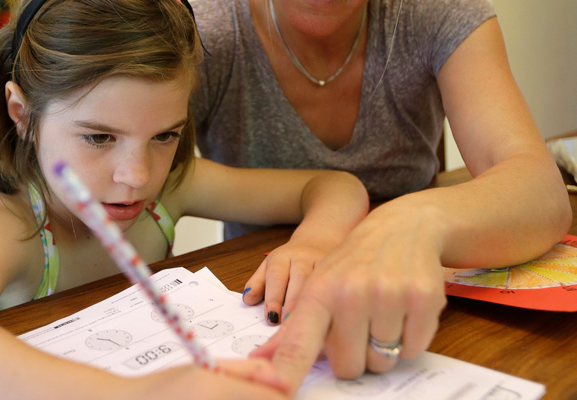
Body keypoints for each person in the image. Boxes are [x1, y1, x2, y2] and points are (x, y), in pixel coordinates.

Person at [0, 0, 370, 398]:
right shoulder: (6, 225)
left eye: (164, 136)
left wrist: (315, 241)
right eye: (99, 137)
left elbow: (336, 186)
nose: (137, 176)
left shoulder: (171, 189)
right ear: (22, 114)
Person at [189, 0, 573, 394]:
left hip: (424, 312)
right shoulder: (203, 30)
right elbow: (138, 175)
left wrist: (409, 224)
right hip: (256, 306)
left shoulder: (435, 12)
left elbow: (541, 190)